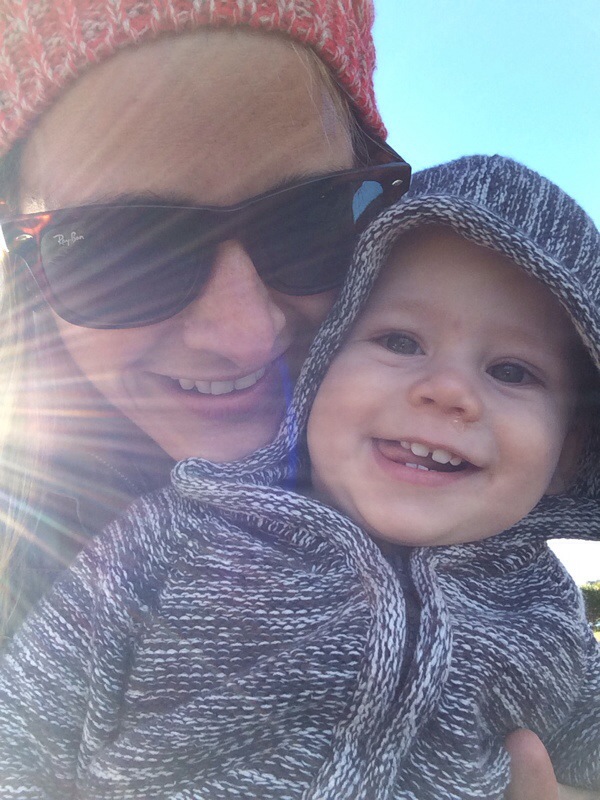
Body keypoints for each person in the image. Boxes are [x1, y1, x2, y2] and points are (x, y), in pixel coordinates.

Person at [0, 0, 586, 796]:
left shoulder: (538, 601)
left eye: (307, 222)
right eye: (127, 250)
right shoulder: (136, 559)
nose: (241, 333)